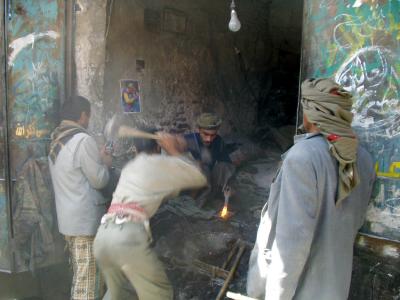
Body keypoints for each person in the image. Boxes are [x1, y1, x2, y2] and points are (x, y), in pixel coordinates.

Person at [246, 78, 376, 300]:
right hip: (335, 287)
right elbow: (355, 222)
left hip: (301, 291)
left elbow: (289, 247)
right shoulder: (363, 158)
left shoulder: (302, 157)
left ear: (310, 114)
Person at [93, 130, 207, 300]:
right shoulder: (156, 163)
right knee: (160, 294)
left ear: (135, 149)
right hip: (127, 239)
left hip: (103, 236)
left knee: (119, 294)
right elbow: (199, 177)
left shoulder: (130, 167)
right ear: (157, 148)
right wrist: (174, 149)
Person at [49, 95, 112, 300]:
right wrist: (106, 163)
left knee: (81, 276)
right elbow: (100, 180)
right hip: (85, 223)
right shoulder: (83, 140)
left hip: (69, 222)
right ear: (82, 115)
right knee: (87, 283)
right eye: (88, 115)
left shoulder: (56, 139)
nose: (89, 120)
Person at [184, 113, 235, 207]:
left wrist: (229, 183)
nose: (209, 139)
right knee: (203, 170)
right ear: (199, 130)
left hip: (208, 182)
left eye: (213, 135)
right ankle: (192, 205)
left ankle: (212, 197)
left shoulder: (218, 142)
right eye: (206, 134)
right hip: (190, 184)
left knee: (224, 166)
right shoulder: (187, 141)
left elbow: (226, 164)